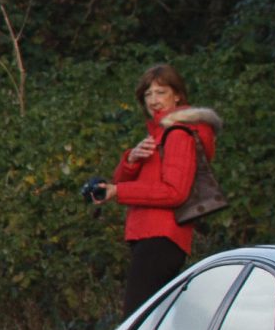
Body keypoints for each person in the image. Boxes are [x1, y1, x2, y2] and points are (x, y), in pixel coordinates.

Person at [87, 63, 222, 314]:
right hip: (150, 236)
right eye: (148, 94)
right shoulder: (159, 134)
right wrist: (131, 160)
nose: (153, 100)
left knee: (136, 321)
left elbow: (175, 192)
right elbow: (119, 182)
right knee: (150, 321)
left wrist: (119, 192)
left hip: (162, 236)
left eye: (161, 92)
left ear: (177, 94)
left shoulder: (178, 134)